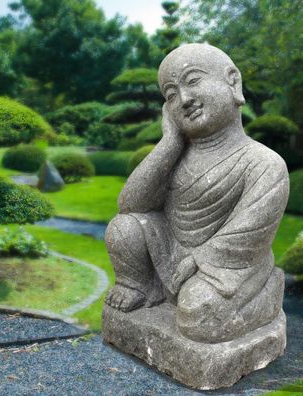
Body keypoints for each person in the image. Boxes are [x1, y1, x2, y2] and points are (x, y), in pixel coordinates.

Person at [105, 43, 289, 343]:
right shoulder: (174, 156)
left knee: (198, 319)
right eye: (171, 95)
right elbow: (130, 205)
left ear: (232, 82)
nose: (185, 99)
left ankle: (268, 293)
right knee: (124, 228)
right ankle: (139, 287)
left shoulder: (263, 162)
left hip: (228, 265)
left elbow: (249, 234)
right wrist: (169, 143)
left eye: (193, 81)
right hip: (173, 250)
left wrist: (200, 259)